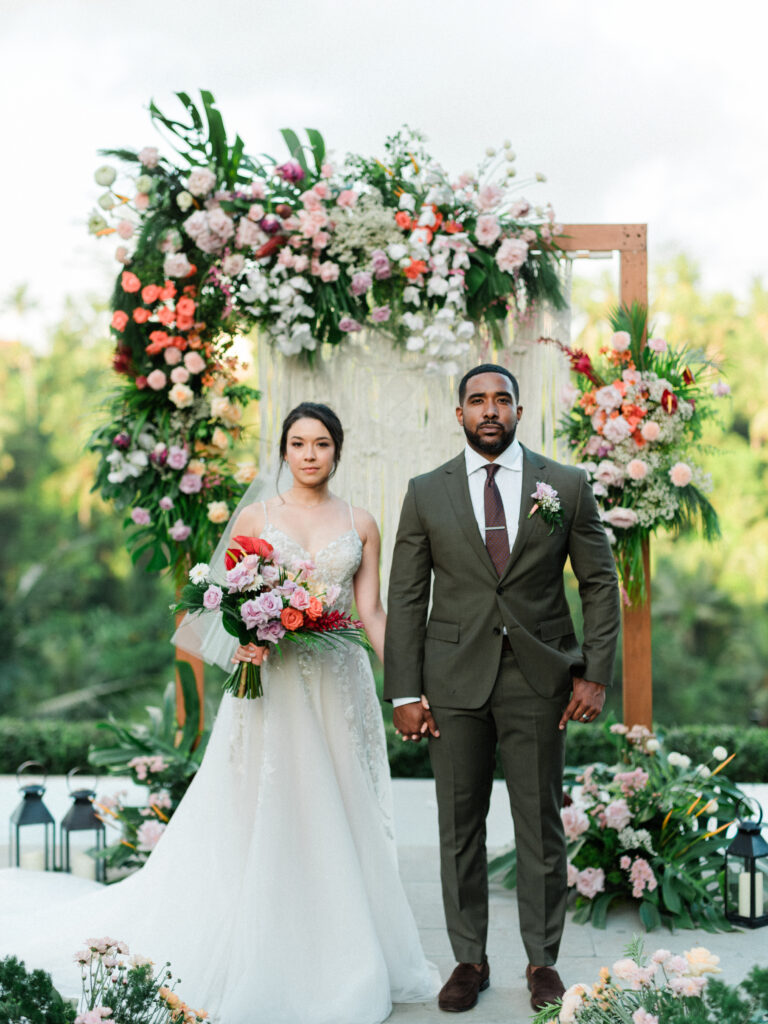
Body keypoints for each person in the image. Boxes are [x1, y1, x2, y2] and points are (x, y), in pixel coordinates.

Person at [0, 401, 438, 1024]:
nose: (309, 454)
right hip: (273, 682)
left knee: (340, 808)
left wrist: (408, 688)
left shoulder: (361, 523)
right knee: (271, 808)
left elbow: (371, 615)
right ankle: (266, 944)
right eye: (297, 443)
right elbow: (218, 606)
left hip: (339, 685)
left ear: (338, 451)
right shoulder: (257, 517)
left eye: (321, 443)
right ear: (283, 451)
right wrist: (249, 638)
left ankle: (342, 948)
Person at [383, 365, 621, 1013]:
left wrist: (596, 673)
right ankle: (469, 959)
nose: (490, 410)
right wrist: (403, 691)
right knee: (458, 825)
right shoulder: (426, 492)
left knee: (539, 825)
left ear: (520, 409)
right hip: (452, 680)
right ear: (458, 413)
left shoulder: (564, 486)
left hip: (540, 679)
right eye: (477, 400)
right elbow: (405, 596)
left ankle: (543, 961)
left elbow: (600, 584)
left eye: (502, 400)